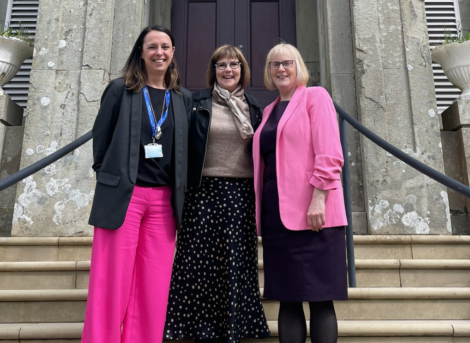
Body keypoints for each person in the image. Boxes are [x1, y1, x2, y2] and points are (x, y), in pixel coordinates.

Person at [81, 25, 192, 343]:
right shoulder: (120, 90)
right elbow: (100, 142)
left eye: (166, 46)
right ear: (141, 53)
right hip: (124, 200)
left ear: (173, 53)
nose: (160, 52)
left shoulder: (180, 100)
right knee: (111, 285)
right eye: (152, 46)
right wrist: (111, 178)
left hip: (163, 204)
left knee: (153, 290)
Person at [164, 45, 270, 343]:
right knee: (196, 262)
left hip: (240, 192)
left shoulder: (255, 106)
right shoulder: (196, 101)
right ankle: (195, 327)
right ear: (213, 70)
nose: (228, 70)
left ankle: (235, 327)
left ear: (242, 70)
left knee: (236, 261)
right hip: (203, 190)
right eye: (221, 65)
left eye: (234, 65)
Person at [252, 43, 348, 343]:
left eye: (287, 63)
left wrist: (319, 197)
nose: (281, 69)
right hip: (276, 217)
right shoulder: (268, 111)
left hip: (314, 214)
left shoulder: (315, 97)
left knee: (320, 300)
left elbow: (330, 153)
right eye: (274, 64)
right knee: (288, 298)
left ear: (298, 67)